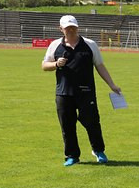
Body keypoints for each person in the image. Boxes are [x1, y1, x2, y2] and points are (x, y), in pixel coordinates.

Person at [41, 14, 122, 166]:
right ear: (61, 29)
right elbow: (44, 65)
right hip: (63, 93)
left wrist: (112, 85)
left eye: (73, 27)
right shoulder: (54, 46)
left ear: (78, 27)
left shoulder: (90, 44)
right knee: (67, 126)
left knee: (92, 123)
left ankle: (98, 151)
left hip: (86, 92)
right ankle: (72, 156)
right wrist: (56, 64)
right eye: (67, 28)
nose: (71, 30)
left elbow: (100, 66)